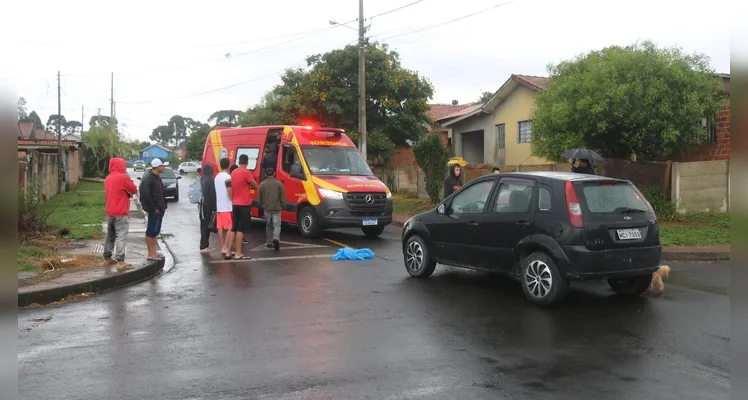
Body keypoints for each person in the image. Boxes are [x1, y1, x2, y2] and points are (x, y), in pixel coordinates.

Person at [103, 158, 138, 270]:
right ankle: (120, 261)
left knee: (110, 235)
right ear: (120, 166)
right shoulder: (123, 177)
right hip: (121, 212)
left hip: (110, 211)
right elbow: (134, 189)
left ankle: (107, 258)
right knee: (121, 235)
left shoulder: (108, 178)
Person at [225, 154, 258, 260]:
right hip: (244, 204)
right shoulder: (246, 172)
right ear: (247, 162)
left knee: (234, 228)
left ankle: (228, 252)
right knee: (240, 229)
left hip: (235, 203)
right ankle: (238, 253)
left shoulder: (233, 172)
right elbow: (254, 185)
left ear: (239, 161)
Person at [139, 158, 167, 261]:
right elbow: (145, 195)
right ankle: (150, 254)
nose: (164, 167)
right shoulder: (148, 179)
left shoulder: (156, 177)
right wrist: (153, 209)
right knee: (150, 232)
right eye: (163, 166)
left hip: (160, 209)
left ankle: (154, 252)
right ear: (158, 166)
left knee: (155, 232)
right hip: (154, 210)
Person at [258, 167, 286, 251]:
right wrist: (283, 206)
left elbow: (259, 198)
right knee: (277, 225)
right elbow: (282, 197)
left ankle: (269, 242)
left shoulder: (262, 184)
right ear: (274, 173)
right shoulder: (279, 184)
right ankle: (276, 238)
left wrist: (261, 206)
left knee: (269, 225)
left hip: (266, 208)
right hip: (277, 208)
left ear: (265, 174)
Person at [214, 158, 234, 256]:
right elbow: (229, 190)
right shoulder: (228, 177)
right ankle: (226, 246)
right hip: (227, 206)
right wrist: (233, 199)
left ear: (220, 165)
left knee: (220, 227)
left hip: (219, 206)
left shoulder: (217, 176)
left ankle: (222, 246)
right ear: (228, 165)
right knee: (230, 227)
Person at [199, 164, 217, 253]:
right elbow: (213, 195)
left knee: (203, 225)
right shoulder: (211, 180)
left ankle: (204, 245)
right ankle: (204, 246)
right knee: (207, 225)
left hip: (201, 206)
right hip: (208, 206)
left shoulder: (201, 179)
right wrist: (215, 207)